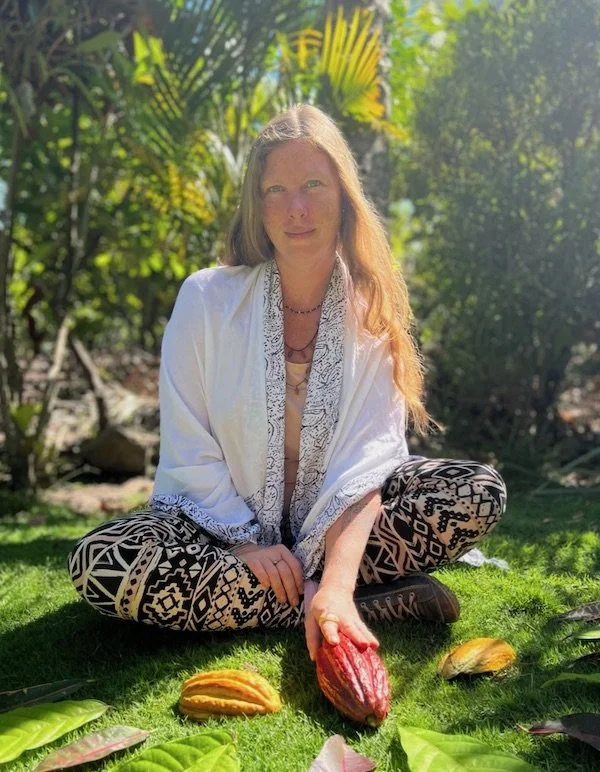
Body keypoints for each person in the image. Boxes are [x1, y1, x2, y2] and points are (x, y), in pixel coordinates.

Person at [68, 105, 507, 660]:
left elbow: (366, 464)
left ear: (343, 195)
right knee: (101, 563)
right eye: (276, 189)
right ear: (257, 205)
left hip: (341, 535)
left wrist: (340, 580)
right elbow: (190, 441)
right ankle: (361, 601)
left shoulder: (369, 311)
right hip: (221, 535)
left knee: (475, 493)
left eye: (313, 185)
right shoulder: (205, 299)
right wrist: (246, 542)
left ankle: (333, 596)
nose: (296, 209)